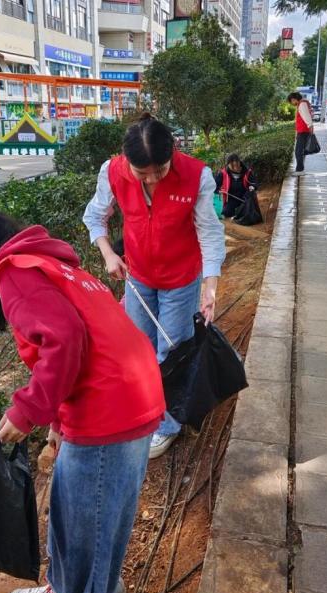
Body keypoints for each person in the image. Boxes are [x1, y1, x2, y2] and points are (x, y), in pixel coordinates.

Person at [0, 205, 166, 593]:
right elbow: (87, 340)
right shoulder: (52, 265)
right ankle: (103, 590)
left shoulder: (15, 272)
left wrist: (27, 410)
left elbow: (64, 340)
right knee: (107, 509)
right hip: (137, 391)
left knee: (78, 517)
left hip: (108, 404)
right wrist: (58, 421)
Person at [83, 113, 226, 459]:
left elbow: (209, 233)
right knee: (140, 348)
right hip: (138, 277)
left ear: (173, 150)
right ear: (126, 159)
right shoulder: (113, 172)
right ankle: (145, 409)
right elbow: (95, 216)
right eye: (141, 173)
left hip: (180, 279)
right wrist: (108, 254)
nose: (151, 180)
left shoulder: (196, 176)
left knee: (172, 351)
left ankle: (167, 425)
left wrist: (210, 287)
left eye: (159, 171)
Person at [215, 153, 258, 219]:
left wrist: (252, 187)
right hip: (232, 199)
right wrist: (219, 191)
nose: (236, 168)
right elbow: (214, 186)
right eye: (232, 166)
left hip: (245, 199)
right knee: (226, 213)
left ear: (239, 162)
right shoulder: (223, 173)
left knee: (248, 215)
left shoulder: (247, 172)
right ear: (228, 165)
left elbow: (254, 183)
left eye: (237, 165)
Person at [288, 92, 314, 173]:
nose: (292, 103)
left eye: (291, 101)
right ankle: (300, 168)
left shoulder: (302, 104)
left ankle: (299, 170)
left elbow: (306, 116)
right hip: (303, 130)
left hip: (303, 131)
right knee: (301, 151)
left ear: (294, 99)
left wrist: (310, 126)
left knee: (298, 151)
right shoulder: (303, 103)